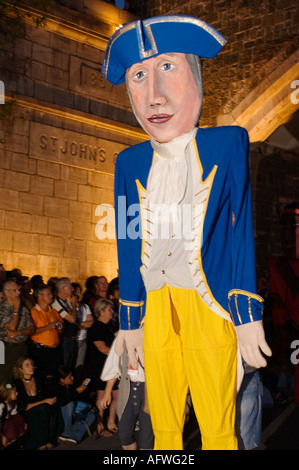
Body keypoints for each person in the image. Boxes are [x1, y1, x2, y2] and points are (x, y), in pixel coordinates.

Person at [101, 15, 272, 450]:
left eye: (168, 68)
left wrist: (247, 314)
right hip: (155, 306)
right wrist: (130, 323)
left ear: (195, 75)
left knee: (217, 426)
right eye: (139, 76)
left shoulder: (227, 142)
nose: (154, 95)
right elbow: (127, 241)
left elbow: (238, 233)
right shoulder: (129, 163)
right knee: (163, 427)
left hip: (207, 300)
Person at [101, 324, 154, 450]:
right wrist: (107, 392)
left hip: (150, 391)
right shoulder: (124, 333)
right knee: (124, 435)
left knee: (147, 439)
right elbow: (114, 363)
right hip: (128, 388)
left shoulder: (157, 331)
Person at [269, 201, 299, 405]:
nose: (287, 234)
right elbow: (279, 319)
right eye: (283, 226)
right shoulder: (277, 266)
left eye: (295, 225)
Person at [13, 356, 63, 449]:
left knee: (52, 407)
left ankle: (49, 438)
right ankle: (40, 443)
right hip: (25, 410)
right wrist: (44, 401)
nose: (31, 367)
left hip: (38, 406)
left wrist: (49, 400)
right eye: (27, 365)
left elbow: (41, 397)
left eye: (32, 364)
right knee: (41, 410)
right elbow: (22, 406)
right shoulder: (17, 383)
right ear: (20, 369)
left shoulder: (37, 379)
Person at [87, 298, 117, 436]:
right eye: (109, 309)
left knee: (116, 394)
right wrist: (117, 356)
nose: (112, 312)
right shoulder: (96, 327)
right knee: (102, 394)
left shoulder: (110, 324)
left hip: (112, 364)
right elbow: (101, 347)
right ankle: (100, 424)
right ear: (101, 311)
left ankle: (111, 422)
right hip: (101, 365)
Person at [48, 365, 95, 445]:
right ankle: (68, 433)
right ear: (62, 380)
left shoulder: (72, 384)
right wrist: (77, 391)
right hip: (61, 413)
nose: (72, 378)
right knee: (69, 404)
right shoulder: (53, 387)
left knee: (91, 414)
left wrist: (83, 388)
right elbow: (62, 402)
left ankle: (71, 436)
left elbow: (80, 398)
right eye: (69, 377)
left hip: (74, 411)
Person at [0, 280, 35, 383]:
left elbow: (32, 328)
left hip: (22, 346)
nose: (18, 293)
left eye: (18, 290)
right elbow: (12, 328)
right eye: (14, 290)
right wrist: (15, 310)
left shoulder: (23, 309)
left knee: (20, 378)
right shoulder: (2, 309)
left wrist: (19, 333)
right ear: (7, 292)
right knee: (5, 377)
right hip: (6, 348)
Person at [29, 284, 63, 380]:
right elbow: (31, 331)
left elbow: (61, 328)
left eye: (51, 293)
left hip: (55, 350)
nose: (51, 296)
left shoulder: (54, 312)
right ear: (40, 296)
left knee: (53, 377)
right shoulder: (33, 312)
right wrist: (47, 327)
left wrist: (60, 328)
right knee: (40, 377)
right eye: (48, 294)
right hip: (40, 350)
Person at [51, 277, 78, 370]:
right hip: (64, 340)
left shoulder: (67, 301)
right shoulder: (56, 302)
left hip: (72, 338)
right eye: (70, 287)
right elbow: (72, 319)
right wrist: (74, 305)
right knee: (65, 368)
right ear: (63, 288)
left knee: (71, 367)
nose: (73, 289)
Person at [71, 282, 94, 381]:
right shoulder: (69, 308)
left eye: (79, 292)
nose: (77, 294)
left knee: (80, 365)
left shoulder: (85, 307)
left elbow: (91, 322)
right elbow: (73, 324)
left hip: (83, 339)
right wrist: (84, 324)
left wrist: (80, 324)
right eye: (75, 292)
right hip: (72, 340)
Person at [0, 382, 27, 450]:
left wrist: (23, 424)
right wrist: (2, 436)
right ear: (8, 394)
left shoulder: (13, 404)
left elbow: (16, 416)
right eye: (15, 392)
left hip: (12, 426)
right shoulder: (2, 406)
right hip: (3, 428)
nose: (17, 393)